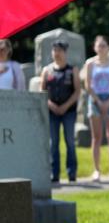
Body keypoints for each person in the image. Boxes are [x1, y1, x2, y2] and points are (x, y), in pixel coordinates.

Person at [84, 35, 109, 181]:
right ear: (94, 47)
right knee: (96, 137)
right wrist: (99, 101)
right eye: (99, 45)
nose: (101, 48)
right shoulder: (90, 63)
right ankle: (96, 170)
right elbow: (88, 85)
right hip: (95, 100)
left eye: (104, 45)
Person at [41, 40, 81, 183]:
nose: (56, 53)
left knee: (70, 142)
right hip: (52, 112)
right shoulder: (47, 70)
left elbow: (77, 91)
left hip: (68, 111)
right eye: (54, 50)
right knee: (53, 143)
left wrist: (65, 106)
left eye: (59, 50)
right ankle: (54, 173)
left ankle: (71, 173)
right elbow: (43, 93)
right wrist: (51, 105)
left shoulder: (72, 70)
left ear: (65, 52)